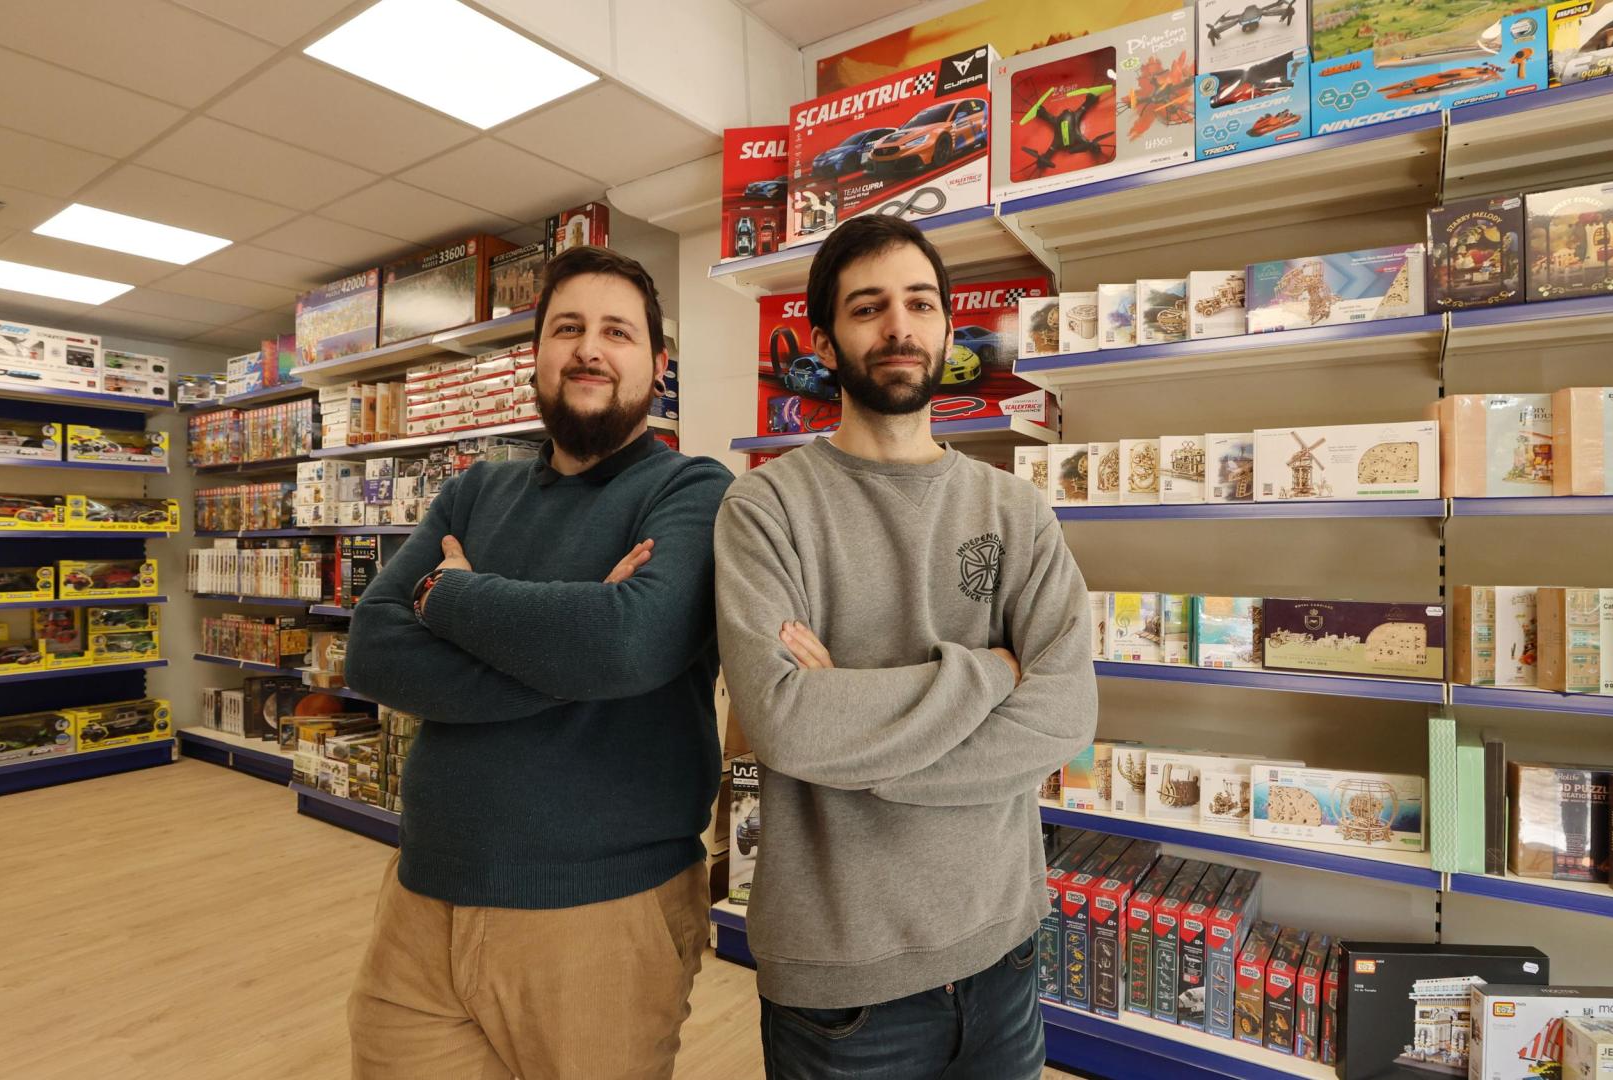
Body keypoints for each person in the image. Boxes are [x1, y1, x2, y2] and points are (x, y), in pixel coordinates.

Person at [714, 214, 1099, 1078]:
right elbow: (783, 725)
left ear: (945, 328)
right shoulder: (765, 510)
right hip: (841, 983)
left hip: (1004, 952)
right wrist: (991, 674)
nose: (898, 326)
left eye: (920, 304)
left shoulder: (1016, 512)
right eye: (868, 307)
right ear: (825, 340)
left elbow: (1066, 714)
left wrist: (850, 725)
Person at [343, 245, 733, 1080]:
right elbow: (372, 649)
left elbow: (627, 642)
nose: (590, 349)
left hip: (604, 914)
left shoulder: (692, 490)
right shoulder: (474, 491)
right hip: (420, 903)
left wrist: (449, 599)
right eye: (568, 328)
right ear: (538, 358)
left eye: (617, 333)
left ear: (658, 368)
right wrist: (574, 648)